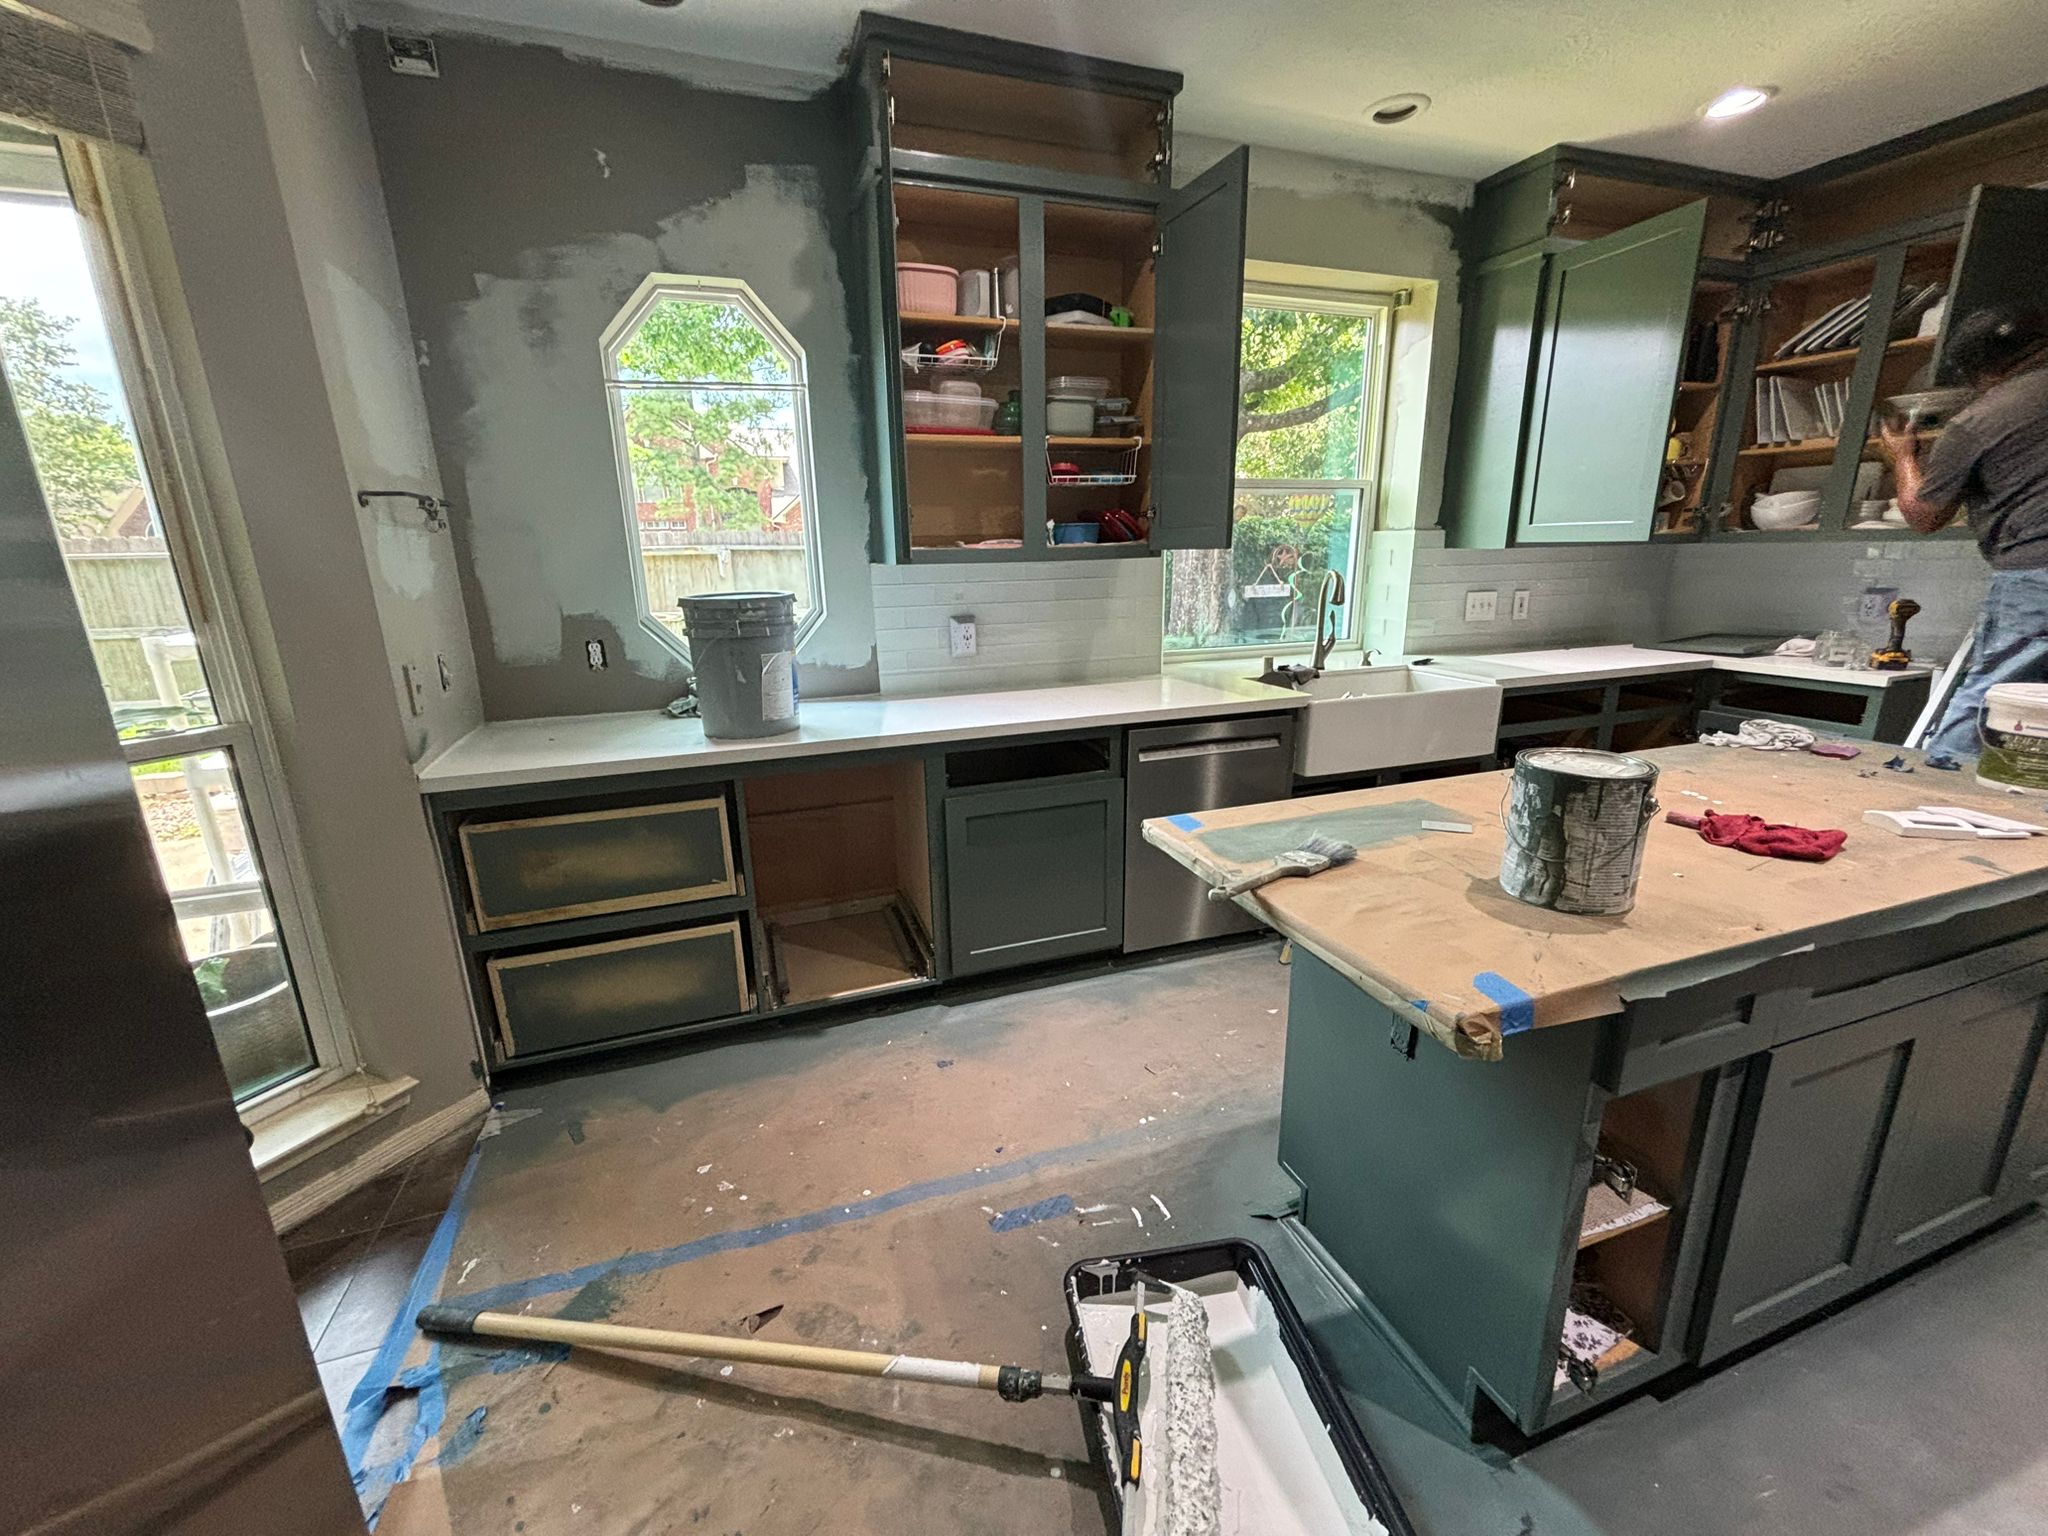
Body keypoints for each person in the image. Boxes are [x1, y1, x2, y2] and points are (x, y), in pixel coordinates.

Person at [1880, 304, 2048, 763]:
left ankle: (1939, 789)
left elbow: (1924, 515)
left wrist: (1903, 457)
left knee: (1994, 696)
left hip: (2036, 570)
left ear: (1981, 372)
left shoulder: (1980, 419)